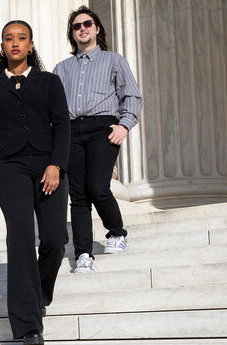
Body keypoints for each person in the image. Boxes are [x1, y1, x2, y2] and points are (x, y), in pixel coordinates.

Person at [0, 20, 70, 345]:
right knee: (20, 238)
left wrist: (56, 163)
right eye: (8, 38)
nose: (15, 43)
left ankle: (39, 292)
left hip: (48, 166)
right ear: (2, 47)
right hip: (11, 168)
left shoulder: (50, 82)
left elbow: (62, 127)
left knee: (55, 239)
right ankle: (27, 324)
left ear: (31, 45)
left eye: (21, 38)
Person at [53, 5, 143, 273]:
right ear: (72, 33)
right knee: (77, 195)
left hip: (103, 127)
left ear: (97, 28)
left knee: (97, 187)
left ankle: (117, 233)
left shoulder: (114, 60)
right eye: (77, 26)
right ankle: (83, 254)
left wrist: (124, 125)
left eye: (87, 24)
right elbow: (54, 108)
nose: (82, 28)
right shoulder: (61, 68)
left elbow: (132, 96)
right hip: (71, 131)